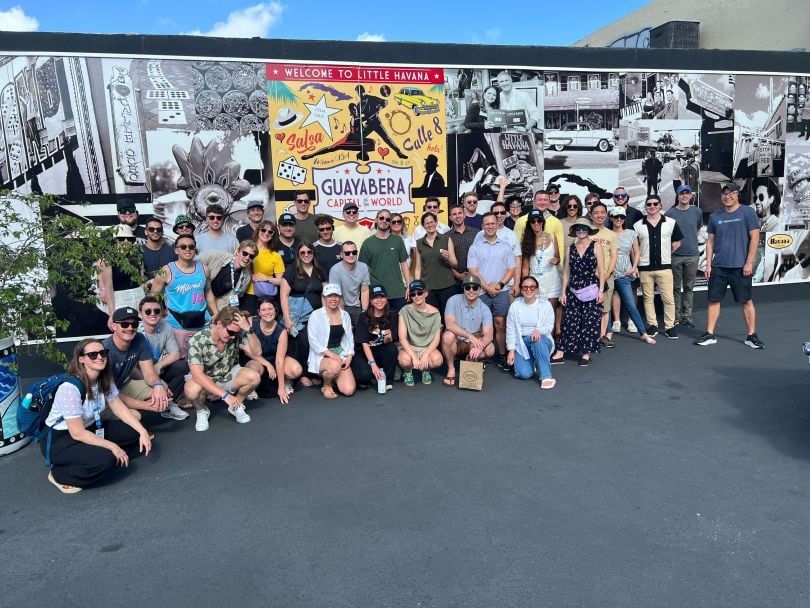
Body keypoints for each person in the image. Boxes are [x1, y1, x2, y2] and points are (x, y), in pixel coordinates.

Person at [41, 339, 152, 493]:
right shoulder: (70, 388)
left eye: (102, 353)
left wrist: (142, 431)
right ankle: (59, 474)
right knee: (106, 460)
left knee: (132, 433)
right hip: (61, 439)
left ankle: (97, 454)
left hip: (91, 427)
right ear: (81, 359)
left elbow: (119, 407)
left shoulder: (104, 378)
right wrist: (113, 447)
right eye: (93, 355)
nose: (100, 357)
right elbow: (77, 433)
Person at [695, 183, 764, 348]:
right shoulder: (715, 216)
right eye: (724, 194)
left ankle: (751, 336)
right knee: (713, 300)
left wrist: (748, 262)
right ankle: (710, 334)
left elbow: (755, 238)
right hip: (719, 266)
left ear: (737, 194)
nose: (727, 196)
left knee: (746, 300)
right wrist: (709, 265)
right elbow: (710, 242)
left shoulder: (747, 212)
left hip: (740, 266)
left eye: (731, 193)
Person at [185, 306, 262, 431]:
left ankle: (236, 405)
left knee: (254, 377)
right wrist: (225, 396)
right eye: (231, 332)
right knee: (191, 391)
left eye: (236, 333)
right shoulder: (198, 340)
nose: (233, 337)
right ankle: (201, 411)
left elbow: (257, 352)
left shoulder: (235, 334)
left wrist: (248, 329)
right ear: (219, 324)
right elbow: (198, 375)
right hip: (206, 378)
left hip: (228, 374)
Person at [150, 234, 214, 357]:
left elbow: (208, 291)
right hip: (177, 324)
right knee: (180, 361)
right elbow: (154, 297)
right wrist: (160, 312)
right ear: (176, 250)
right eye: (183, 247)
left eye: (191, 246)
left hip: (203, 322)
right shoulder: (166, 271)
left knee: (204, 359)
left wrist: (215, 313)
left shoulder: (204, 269)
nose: (187, 249)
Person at [467, 212, 517, 370]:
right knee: (482, 326)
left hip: (500, 292)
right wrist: (487, 287)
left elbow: (511, 269)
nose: (489, 226)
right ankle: (481, 355)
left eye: (492, 223)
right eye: (486, 224)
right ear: (482, 226)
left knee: (500, 323)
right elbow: (472, 270)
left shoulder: (505, 246)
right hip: (480, 292)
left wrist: (500, 285)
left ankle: (502, 355)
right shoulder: (475, 247)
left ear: (497, 225)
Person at [102, 306, 171, 419]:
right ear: (114, 326)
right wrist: (146, 405)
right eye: (124, 324)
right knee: (135, 416)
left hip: (121, 386)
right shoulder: (105, 350)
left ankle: (159, 412)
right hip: (102, 397)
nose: (130, 328)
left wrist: (158, 386)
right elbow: (110, 395)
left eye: (134, 324)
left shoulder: (139, 338)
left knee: (162, 387)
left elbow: (149, 373)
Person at [553, 219, 605, 367]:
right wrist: (563, 292)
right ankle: (561, 351)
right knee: (569, 320)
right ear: (574, 231)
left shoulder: (596, 246)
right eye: (578, 228)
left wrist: (601, 290)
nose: (581, 231)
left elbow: (601, 270)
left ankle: (586, 353)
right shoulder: (571, 248)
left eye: (583, 228)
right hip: (574, 289)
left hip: (591, 288)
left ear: (588, 230)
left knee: (589, 321)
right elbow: (566, 272)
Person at [634, 194, 683, 339]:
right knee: (648, 298)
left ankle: (669, 327)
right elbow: (635, 248)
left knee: (668, 298)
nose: (652, 207)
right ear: (645, 207)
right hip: (645, 268)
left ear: (660, 206)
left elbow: (677, 242)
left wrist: (666, 253)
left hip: (664, 268)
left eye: (655, 204)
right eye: (649, 204)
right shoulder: (637, 225)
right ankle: (652, 325)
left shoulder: (671, 222)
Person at [607, 207, 656, 345]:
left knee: (630, 304)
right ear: (611, 218)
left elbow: (636, 252)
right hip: (608, 273)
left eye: (621, 217)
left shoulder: (631, 233)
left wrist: (634, 267)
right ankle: (607, 333)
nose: (618, 220)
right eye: (616, 217)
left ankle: (643, 333)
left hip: (624, 273)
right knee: (605, 306)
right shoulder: (607, 234)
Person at [137, 297, 192, 419]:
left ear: (162, 313)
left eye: (156, 311)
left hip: (156, 368)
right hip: (139, 373)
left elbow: (175, 354)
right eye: (148, 311)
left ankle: (168, 404)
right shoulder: (134, 331)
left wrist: (159, 365)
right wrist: (157, 382)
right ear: (140, 314)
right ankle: (160, 402)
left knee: (183, 366)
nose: (153, 314)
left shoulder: (165, 326)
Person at [280, 241, 325, 383]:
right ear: (298, 255)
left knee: (314, 343)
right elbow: (283, 295)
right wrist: (287, 318)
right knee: (302, 342)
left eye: (309, 252)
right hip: (297, 315)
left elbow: (324, 294)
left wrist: (325, 315)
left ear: (313, 253)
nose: (306, 255)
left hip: (316, 314)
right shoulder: (292, 270)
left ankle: (312, 373)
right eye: (303, 252)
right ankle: (303, 375)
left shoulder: (319, 270)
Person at [243, 298, 302, 404]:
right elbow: (248, 351)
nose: (267, 312)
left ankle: (286, 381)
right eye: (263, 310)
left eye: (270, 309)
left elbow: (279, 359)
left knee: (296, 370)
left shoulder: (281, 330)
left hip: (274, 358)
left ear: (275, 310)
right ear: (259, 312)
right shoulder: (251, 322)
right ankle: (250, 388)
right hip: (256, 359)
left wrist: (281, 388)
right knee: (253, 369)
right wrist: (267, 365)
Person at [440, 275, 495, 386]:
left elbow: (489, 334)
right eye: (467, 287)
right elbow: (450, 324)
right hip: (457, 339)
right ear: (463, 288)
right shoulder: (453, 300)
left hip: (472, 342)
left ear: (480, 289)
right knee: (447, 336)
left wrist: (480, 347)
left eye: (475, 288)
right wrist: (469, 336)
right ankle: (451, 368)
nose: (471, 290)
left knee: (490, 349)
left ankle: (471, 359)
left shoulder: (484, 308)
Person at [505, 275, 556, 389]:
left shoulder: (545, 304)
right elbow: (511, 330)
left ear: (537, 289)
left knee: (538, 340)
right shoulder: (515, 306)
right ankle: (534, 360)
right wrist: (511, 350)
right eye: (525, 287)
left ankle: (546, 376)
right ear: (521, 289)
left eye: (532, 287)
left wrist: (539, 330)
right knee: (523, 374)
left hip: (541, 340)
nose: (529, 290)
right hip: (522, 343)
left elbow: (549, 326)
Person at [307, 284, 356, 399]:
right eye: (330, 296)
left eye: (336, 296)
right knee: (334, 365)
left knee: (348, 390)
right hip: (323, 355)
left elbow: (349, 338)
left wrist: (349, 355)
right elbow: (313, 341)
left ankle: (332, 378)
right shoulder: (316, 315)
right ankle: (327, 385)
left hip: (341, 353)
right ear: (324, 298)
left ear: (340, 298)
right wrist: (331, 355)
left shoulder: (345, 315)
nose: (333, 299)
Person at [666, 184, 703, 327]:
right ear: (678, 195)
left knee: (688, 287)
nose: (685, 196)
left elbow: (697, 229)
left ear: (691, 196)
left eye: (687, 193)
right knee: (675, 288)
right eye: (682, 193)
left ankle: (686, 316)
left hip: (692, 255)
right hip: (675, 256)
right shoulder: (670, 214)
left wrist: (691, 242)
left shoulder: (697, 211)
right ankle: (675, 316)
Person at [359, 209, 410, 312]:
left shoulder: (397, 240)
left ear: (390, 222)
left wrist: (409, 286)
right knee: (379, 326)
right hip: (377, 294)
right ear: (376, 220)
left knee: (399, 325)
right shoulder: (367, 243)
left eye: (388, 219)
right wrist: (366, 293)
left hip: (398, 292)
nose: (384, 221)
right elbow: (363, 270)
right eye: (381, 218)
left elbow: (404, 265)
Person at [351, 284, 399, 390]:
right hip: (364, 353)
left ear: (386, 299)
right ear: (371, 301)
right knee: (363, 376)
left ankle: (387, 380)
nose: (379, 300)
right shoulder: (363, 317)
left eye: (382, 297)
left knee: (392, 348)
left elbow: (392, 341)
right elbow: (364, 343)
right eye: (375, 298)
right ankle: (371, 372)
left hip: (380, 349)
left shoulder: (392, 315)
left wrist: (388, 338)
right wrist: (373, 365)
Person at [98, 224, 145, 331]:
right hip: (119, 297)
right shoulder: (107, 259)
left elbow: (141, 278)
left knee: (141, 329)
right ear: (115, 240)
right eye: (121, 238)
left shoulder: (138, 255)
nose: (125, 241)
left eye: (129, 238)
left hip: (139, 295)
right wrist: (112, 313)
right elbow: (108, 287)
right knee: (124, 329)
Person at [398, 280, 443, 387]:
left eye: (419, 293)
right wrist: (414, 356)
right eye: (413, 294)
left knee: (437, 360)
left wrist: (426, 354)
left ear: (426, 293)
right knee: (405, 361)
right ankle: (407, 372)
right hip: (410, 346)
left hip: (426, 347)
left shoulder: (435, 313)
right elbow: (402, 338)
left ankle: (426, 370)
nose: (416, 296)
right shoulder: (405, 311)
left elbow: (436, 339)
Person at [414, 211, 458, 314]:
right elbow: (418, 268)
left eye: (432, 222)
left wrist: (447, 258)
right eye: (427, 223)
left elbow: (455, 264)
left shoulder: (446, 239)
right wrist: (417, 286)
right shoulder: (419, 243)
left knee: (448, 316)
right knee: (431, 317)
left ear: (436, 222)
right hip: (428, 288)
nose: (430, 225)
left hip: (447, 286)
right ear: (423, 226)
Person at [588, 202, 619, 348]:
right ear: (591, 215)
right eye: (596, 212)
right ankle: (590, 335)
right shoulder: (586, 232)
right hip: (588, 278)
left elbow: (613, 256)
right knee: (589, 308)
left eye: (602, 212)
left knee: (605, 308)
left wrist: (606, 275)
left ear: (606, 214)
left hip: (607, 277)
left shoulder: (611, 234)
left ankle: (602, 336)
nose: (599, 215)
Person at [241, 220, 285, 314]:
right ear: (258, 231)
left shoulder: (275, 255)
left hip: (265, 296)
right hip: (246, 294)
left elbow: (281, 281)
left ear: (273, 235)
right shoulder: (246, 249)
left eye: (270, 232)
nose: (266, 233)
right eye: (263, 230)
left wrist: (265, 278)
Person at [520, 209, 562, 309]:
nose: (536, 223)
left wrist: (556, 260)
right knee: (535, 312)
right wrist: (525, 285)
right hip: (535, 279)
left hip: (552, 278)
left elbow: (557, 257)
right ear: (529, 223)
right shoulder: (526, 241)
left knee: (551, 313)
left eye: (539, 220)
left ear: (543, 222)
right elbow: (525, 266)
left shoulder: (552, 237)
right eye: (533, 221)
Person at [205, 239, 257, 312]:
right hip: (201, 301)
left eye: (251, 256)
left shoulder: (247, 277)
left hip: (220, 309)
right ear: (238, 252)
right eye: (245, 253)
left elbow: (238, 295)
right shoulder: (219, 257)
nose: (247, 258)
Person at [329, 240, 370, 328]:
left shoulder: (363, 267)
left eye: (354, 252)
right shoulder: (335, 270)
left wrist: (364, 312)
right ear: (341, 255)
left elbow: (365, 290)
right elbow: (336, 296)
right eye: (347, 253)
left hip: (357, 306)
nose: (351, 255)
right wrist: (343, 316)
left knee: (364, 327)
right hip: (340, 306)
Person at [448, 202, 480, 288]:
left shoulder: (476, 233)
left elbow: (482, 255)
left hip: (475, 278)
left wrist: (472, 272)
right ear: (450, 218)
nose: (457, 216)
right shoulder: (446, 237)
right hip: (454, 281)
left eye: (460, 213)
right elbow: (445, 261)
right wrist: (457, 274)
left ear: (464, 215)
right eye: (454, 214)